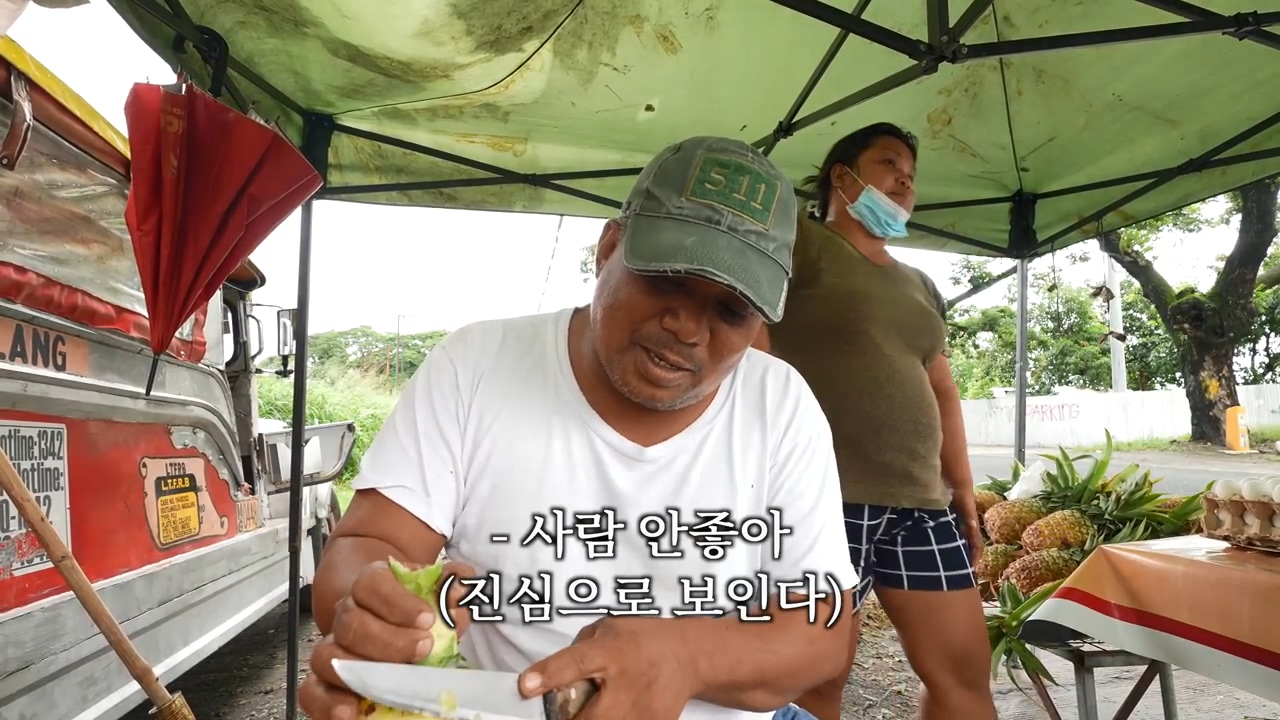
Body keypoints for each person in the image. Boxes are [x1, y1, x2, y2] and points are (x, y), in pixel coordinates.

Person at [298, 135, 860, 720]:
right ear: (609, 246)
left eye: (732, 309)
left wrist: (686, 658)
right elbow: (368, 546)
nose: (688, 328)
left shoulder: (780, 405)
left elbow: (821, 633)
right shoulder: (478, 363)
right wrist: (385, 609)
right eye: (668, 277)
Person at [752, 123, 996, 720]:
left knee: (964, 677)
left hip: (919, 502)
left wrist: (961, 486)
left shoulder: (919, 284)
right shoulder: (798, 244)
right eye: (889, 164)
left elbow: (941, 386)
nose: (905, 180)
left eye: (911, 174)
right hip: (823, 499)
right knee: (815, 684)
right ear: (843, 176)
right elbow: (749, 345)